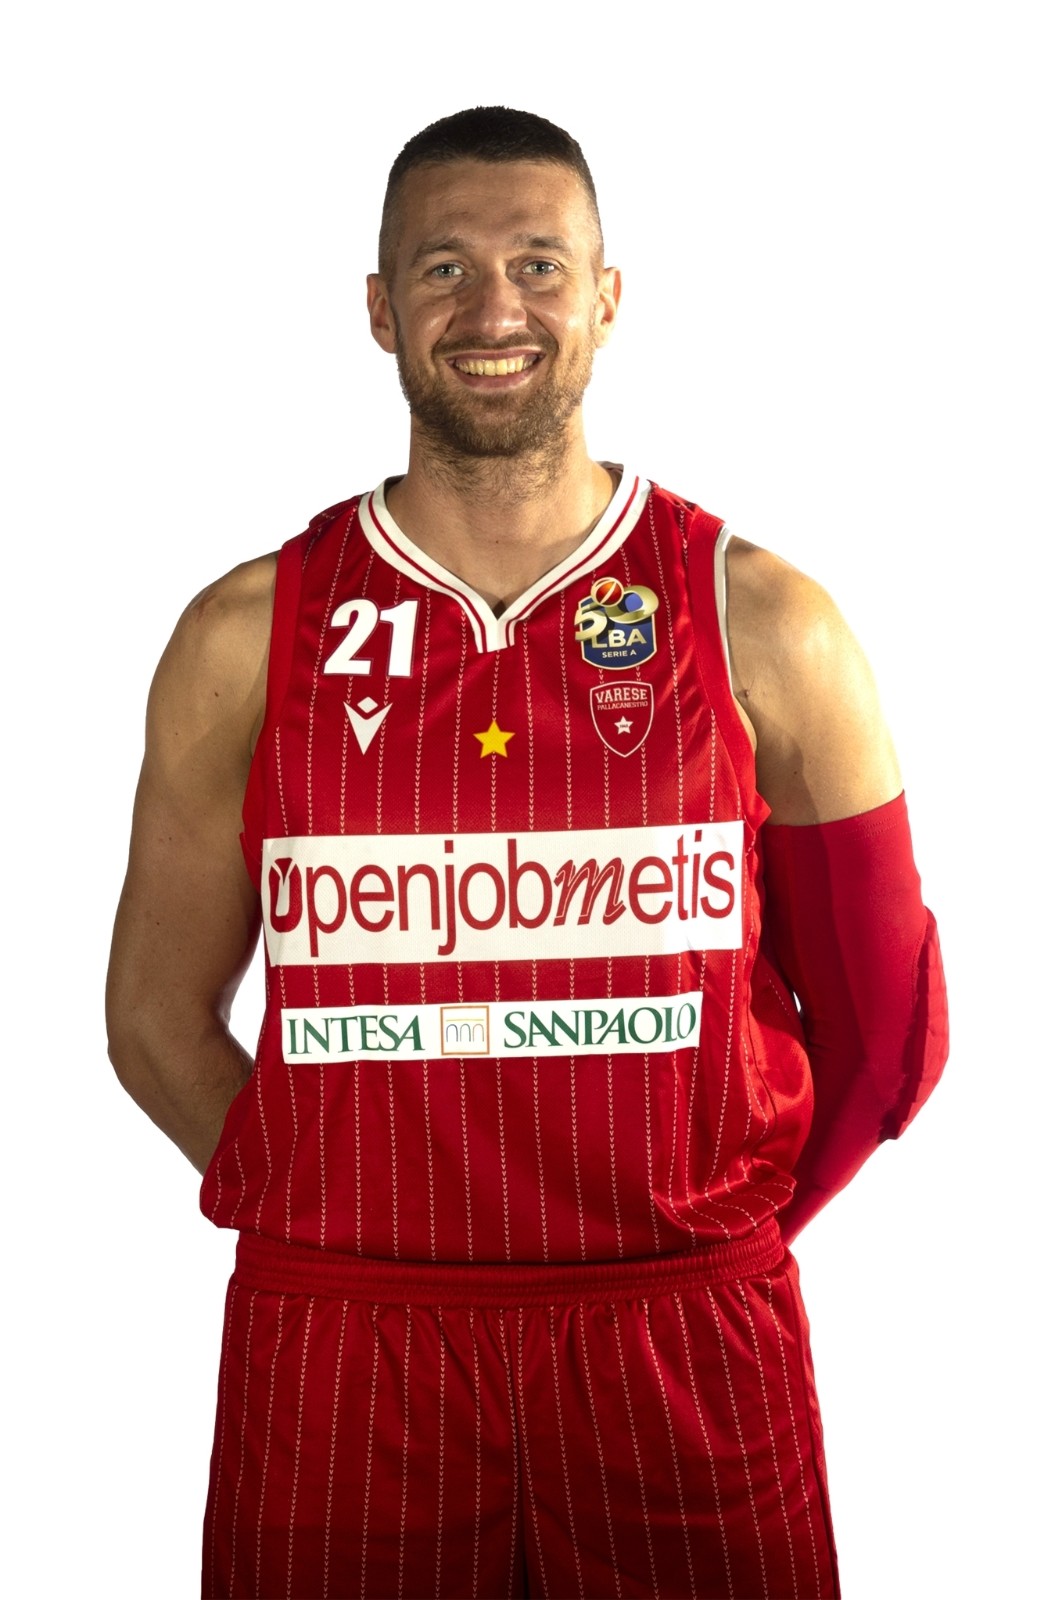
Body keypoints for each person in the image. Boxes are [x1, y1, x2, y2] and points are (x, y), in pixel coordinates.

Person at [107, 106, 948, 1600]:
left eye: (539, 265)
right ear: (380, 308)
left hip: (682, 1342)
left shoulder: (765, 621)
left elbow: (890, 1036)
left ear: (608, 298)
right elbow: (153, 1016)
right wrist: (325, 1194)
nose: (494, 307)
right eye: (444, 268)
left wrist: (714, 1231)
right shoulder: (250, 633)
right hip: (346, 1345)